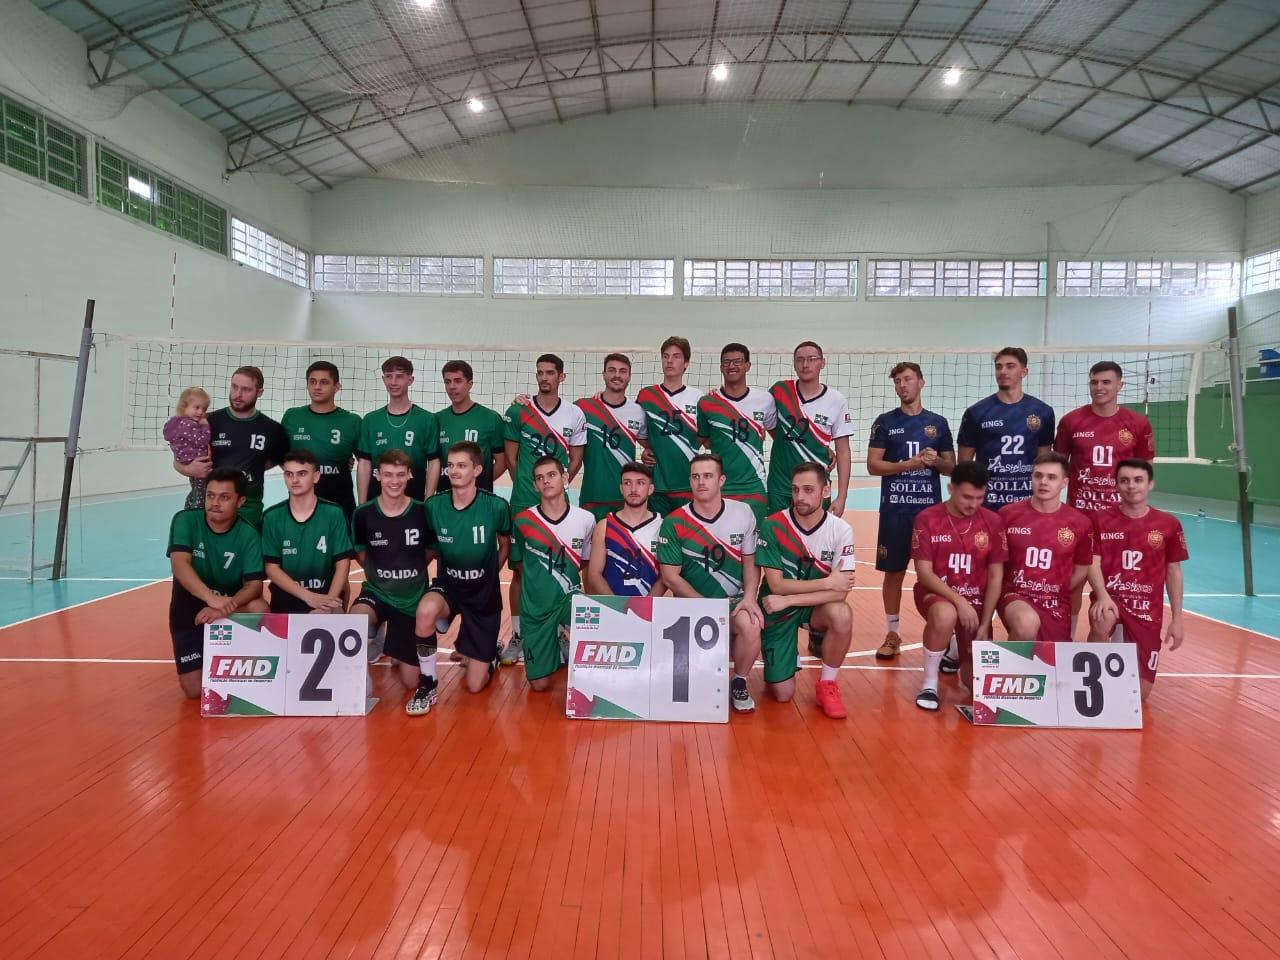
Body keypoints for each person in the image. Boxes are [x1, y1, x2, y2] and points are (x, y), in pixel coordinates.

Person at [1054, 360, 1156, 635]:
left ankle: (1115, 644)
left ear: (1120, 385)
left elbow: (1144, 471)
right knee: (1072, 582)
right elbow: (1058, 467)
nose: (1099, 388)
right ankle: (1067, 640)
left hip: (1118, 522)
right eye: (1094, 382)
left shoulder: (1137, 423)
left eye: (1106, 382)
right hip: (1080, 519)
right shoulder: (1071, 421)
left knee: (1118, 583)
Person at [657, 453, 764, 713]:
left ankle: (739, 680)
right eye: (695, 477)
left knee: (751, 623)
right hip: (690, 605)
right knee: (694, 691)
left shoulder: (743, 512)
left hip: (734, 599)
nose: (701, 482)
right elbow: (670, 576)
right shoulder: (674, 522)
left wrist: (750, 597)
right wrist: (706, 606)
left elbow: (751, 563)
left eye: (708, 476)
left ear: (721, 480)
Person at [501, 354, 587, 665]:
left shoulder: (575, 415)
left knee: (564, 569)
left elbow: (576, 459)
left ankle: (562, 633)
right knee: (520, 570)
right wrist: (530, 487)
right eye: (540, 373)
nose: (544, 378)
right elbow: (511, 457)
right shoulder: (518, 411)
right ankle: (520, 633)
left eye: (550, 373)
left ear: (561, 376)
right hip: (524, 501)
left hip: (558, 505)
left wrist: (559, 489)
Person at [866, 361, 955, 660]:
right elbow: (873, 465)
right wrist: (908, 465)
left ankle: (943, 634)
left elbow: (951, 467)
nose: (902, 386)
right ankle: (892, 632)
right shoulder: (885, 422)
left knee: (935, 574)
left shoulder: (938, 423)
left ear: (921, 382)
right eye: (897, 382)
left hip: (930, 515)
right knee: (893, 573)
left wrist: (934, 462)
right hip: (894, 511)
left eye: (907, 380)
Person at [755, 462, 855, 719]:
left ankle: (827, 684)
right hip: (776, 608)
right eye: (795, 490)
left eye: (809, 490)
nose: (800, 497)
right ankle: (786, 659)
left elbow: (840, 593)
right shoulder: (773, 525)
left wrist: (790, 601)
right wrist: (827, 582)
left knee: (842, 614)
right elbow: (777, 584)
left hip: (794, 605)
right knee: (782, 693)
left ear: (825, 491)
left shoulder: (840, 530)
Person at [909, 460, 1007, 711]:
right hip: (937, 594)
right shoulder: (927, 519)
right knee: (945, 614)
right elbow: (924, 574)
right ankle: (930, 684)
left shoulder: (993, 522)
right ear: (950, 488)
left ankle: (955, 651)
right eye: (967, 497)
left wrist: (986, 622)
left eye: (979, 497)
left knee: (977, 687)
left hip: (976, 603)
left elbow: (996, 576)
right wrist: (959, 600)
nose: (973, 504)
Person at [1088, 458, 1188, 700]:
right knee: (1103, 619)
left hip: (1146, 610)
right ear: (1116, 485)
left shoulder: (1168, 524)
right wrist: (1102, 595)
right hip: (1112, 598)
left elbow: (1173, 571)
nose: (1131, 486)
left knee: (1139, 694)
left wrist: (1177, 618)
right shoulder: (1099, 519)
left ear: (1150, 484)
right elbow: (1093, 561)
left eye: (1138, 480)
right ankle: (1088, 679)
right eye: (1124, 481)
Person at [417, 441, 513, 693]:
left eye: (462, 465)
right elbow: (429, 548)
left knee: (474, 686)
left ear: (478, 470)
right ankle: (428, 682)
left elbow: (505, 544)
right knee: (426, 611)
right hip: (449, 587)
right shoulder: (434, 506)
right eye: (450, 465)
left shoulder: (496, 506)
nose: (454, 471)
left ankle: (488, 654)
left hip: (483, 594)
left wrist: (492, 572)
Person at [166, 467, 269, 698]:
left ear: (240, 501)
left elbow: (254, 586)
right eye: (210, 495)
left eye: (224, 497)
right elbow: (179, 564)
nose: (215, 502)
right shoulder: (185, 520)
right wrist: (211, 599)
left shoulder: (248, 534)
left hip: (227, 611)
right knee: (193, 690)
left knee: (259, 607)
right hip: (188, 611)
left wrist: (224, 607)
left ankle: (245, 665)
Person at [350, 449, 438, 716]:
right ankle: (359, 684)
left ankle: (399, 648)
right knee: (355, 621)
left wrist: (408, 570)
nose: (394, 481)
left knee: (411, 681)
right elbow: (361, 552)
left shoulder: (423, 512)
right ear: (377, 475)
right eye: (388, 474)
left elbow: (431, 550)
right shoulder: (363, 513)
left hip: (411, 599)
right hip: (377, 592)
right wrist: (381, 574)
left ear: (410, 475)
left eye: (401, 474)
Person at [509, 456, 596, 692]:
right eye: (540, 478)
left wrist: (562, 580)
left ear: (565, 478)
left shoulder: (586, 519)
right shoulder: (523, 521)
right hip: (536, 609)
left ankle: (565, 632)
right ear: (535, 485)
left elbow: (586, 559)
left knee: (592, 629)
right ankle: (555, 640)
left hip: (569, 599)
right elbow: (518, 564)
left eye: (552, 475)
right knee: (539, 685)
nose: (546, 481)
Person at [997, 452, 1096, 644]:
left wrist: (1060, 589)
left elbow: (1082, 567)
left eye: (1052, 477)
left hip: (1055, 600)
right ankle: (1013, 672)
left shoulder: (1080, 522)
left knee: (1052, 663)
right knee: (1026, 624)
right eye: (1038, 476)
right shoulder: (1007, 515)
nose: (1043, 482)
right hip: (1015, 595)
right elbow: (995, 564)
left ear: (1064, 482)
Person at [175, 365, 286, 530]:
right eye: (234, 387)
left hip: (248, 515)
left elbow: (272, 461)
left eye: (246, 389)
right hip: (209, 511)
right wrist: (191, 469)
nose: (238, 394)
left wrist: (250, 468)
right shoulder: (208, 422)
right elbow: (178, 462)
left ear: (259, 392)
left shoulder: (272, 429)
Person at [957, 347, 1056, 509]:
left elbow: (1044, 462)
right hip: (987, 503)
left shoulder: (1043, 412)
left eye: (1010, 366)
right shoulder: (976, 412)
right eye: (998, 367)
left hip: (1027, 503)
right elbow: (963, 466)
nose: (1003, 371)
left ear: (1024, 372)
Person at [261, 449, 355, 614]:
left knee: (336, 612)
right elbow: (271, 568)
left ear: (316, 476)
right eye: (289, 474)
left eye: (302, 474)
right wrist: (308, 596)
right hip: (287, 598)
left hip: (326, 596)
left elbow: (343, 563)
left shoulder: (334, 513)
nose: (294, 480)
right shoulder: (271, 516)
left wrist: (326, 605)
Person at [766, 341, 853, 517]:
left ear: (823, 363)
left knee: (814, 541)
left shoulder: (836, 400)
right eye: (800, 360)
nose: (805, 365)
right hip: (780, 487)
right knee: (779, 540)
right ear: (794, 363)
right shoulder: (780, 390)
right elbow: (763, 418)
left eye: (812, 359)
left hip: (816, 488)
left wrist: (842, 497)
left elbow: (843, 451)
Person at [696, 342, 777, 524]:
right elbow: (703, 439)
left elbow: (779, 437)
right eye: (726, 362)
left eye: (737, 361)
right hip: (720, 488)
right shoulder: (707, 403)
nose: (731, 366)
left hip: (754, 488)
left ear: (748, 365)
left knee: (754, 546)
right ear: (720, 367)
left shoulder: (765, 400)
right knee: (723, 544)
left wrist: (823, 448)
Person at [281, 361, 362, 521]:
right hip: (300, 505)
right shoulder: (292, 417)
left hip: (341, 505)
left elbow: (366, 462)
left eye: (324, 382)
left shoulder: (352, 421)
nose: (317, 387)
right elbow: (280, 456)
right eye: (312, 382)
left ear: (337, 386)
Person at [356, 356, 441, 504]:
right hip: (377, 499)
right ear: (383, 379)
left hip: (415, 497)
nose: (393, 382)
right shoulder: (370, 420)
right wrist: (362, 505)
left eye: (399, 377)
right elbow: (364, 463)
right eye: (389, 377)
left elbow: (434, 462)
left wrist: (428, 501)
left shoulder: (427, 419)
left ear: (410, 380)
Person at [577, 353, 649, 520]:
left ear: (629, 376)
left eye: (623, 371)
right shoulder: (584, 407)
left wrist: (646, 454)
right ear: (604, 374)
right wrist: (526, 401)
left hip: (624, 498)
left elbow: (650, 446)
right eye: (612, 370)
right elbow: (556, 417)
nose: (617, 375)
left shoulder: (638, 411)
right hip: (592, 496)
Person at [637, 336, 703, 515]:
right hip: (657, 486)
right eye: (665, 356)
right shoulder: (646, 396)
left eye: (676, 356)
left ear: (686, 363)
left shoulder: (698, 398)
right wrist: (648, 450)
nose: (669, 361)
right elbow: (637, 430)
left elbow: (705, 436)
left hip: (687, 485)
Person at [585, 461, 665, 596]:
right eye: (627, 483)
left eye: (640, 483)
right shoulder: (604, 526)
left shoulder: (663, 527)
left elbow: (665, 576)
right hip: (612, 609)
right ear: (621, 488)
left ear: (650, 489)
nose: (633, 489)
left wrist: (646, 605)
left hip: (649, 611)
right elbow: (594, 575)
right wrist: (618, 607)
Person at [436, 359, 506, 493]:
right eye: (447, 381)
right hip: (445, 498)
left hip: (479, 499)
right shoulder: (437, 419)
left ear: (470, 384)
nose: (452, 386)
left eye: (458, 381)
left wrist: (476, 482)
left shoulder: (490, 418)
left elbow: (502, 462)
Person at [164, 386, 212, 510]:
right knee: (201, 491)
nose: (200, 412)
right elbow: (203, 440)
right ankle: (195, 510)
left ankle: (190, 505)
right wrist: (205, 427)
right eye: (196, 407)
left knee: (196, 487)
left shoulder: (176, 423)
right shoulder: (189, 424)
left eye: (204, 409)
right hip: (196, 461)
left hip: (186, 460)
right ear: (183, 407)